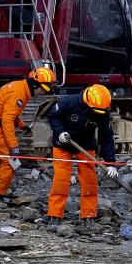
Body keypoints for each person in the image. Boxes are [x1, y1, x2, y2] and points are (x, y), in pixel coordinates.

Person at [0, 67, 55, 203]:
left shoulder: (21, 89)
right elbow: (7, 119)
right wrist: (14, 147)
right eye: (43, 89)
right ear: (35, 84)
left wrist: (23, 126)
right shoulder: (19, 92)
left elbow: (11, 114)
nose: (43, 93)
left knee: (2, 160)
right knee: (9, 161)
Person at [45, 84, 119, 229]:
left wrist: (111, 163)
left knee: (89, 180)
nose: (98, 114)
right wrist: (60, 131)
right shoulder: (68, 102)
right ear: (87, 102)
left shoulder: (102, 111)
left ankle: (89, 215)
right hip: (63, 143)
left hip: (85, 145)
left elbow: (106, 137)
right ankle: (54, 214)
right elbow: (53, 115)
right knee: (61, 178)